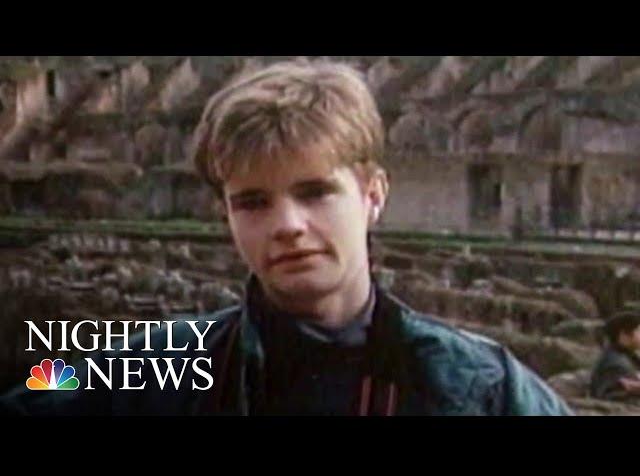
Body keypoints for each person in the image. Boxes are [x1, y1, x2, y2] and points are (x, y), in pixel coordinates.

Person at [1, 58, 572, 415]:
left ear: (372, 194)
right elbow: (47, 379)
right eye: (253, 201)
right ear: (224, 213)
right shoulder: (161, 359)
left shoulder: (480, 386)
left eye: (315, 192)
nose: (288, 225)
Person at [591, 311, 640, 402]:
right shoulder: (615, 363)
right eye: (639, 330)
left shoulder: (626, 355)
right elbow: (614, 394)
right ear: (624, 335)